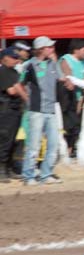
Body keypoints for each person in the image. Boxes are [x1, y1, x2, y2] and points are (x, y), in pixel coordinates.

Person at [21, 36, 64, 185]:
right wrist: (27, 101)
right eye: (49, 47)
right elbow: (20, 83)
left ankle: (46, 174)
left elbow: (61, 79)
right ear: (40, 49)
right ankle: (28, 176)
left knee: (53, 144)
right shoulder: (29, 65)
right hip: (36, 111)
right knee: (34, 145)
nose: (52, 49)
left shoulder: (53, 64)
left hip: (51, 109)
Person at [59, 39, 84, 156]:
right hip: (68, 99)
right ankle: (66, 152)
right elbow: (69, 77)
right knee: (69, 126)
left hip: (79, 99)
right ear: (76, 50)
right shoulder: (66, 59)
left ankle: (72, 150)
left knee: (77, 126)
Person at [0, 47, 28, 182]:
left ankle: (9, 167)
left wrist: (20, 88)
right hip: (6, 111)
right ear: (5, 58)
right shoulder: (3, 71)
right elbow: (11, 90)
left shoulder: (13, 72)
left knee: (12, 141)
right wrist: (22, 90)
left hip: (15, 110)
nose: (16, 60)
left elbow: (18, 87)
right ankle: (1, 169)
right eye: (14, 58)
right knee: (5, 140)